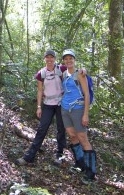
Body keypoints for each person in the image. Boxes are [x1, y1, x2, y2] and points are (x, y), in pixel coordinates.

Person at [16, 49, 67, 166]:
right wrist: (39, 107)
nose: (49, 60)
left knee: (61, 129)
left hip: (61, 104)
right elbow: (39, 91)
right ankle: (29, 156)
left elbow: (73, 74)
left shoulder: (61, 69)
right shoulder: (41, 73)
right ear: (44, 59)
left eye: (51, 57)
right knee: (41, 129)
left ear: (55, 59)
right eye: (47, 57)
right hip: (48, 104)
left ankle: (59, 156)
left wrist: (82, 72)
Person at [61, 49, 96, 184]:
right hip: (65, 109)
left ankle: (91, 171)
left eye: (71, 58)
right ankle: (80, 163)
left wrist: (85, 114)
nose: (68, 61)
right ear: (63, 61)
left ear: (74, 60)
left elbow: (86, 94)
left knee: (82, 137)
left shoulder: (80, 74)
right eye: (66, 59)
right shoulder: (64, 73)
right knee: (72, 135)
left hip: (78, 109)